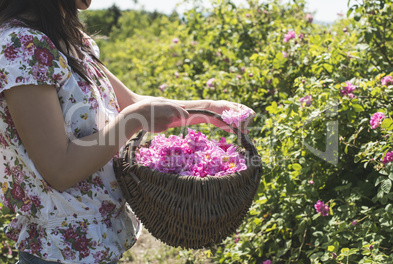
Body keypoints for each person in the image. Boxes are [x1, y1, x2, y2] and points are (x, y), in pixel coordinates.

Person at [0, 0, 255, 263]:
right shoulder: (22, 46)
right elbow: (60, 169)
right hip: (59, 250)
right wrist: (134, 119)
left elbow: (130, 102)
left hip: (97, 241)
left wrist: (208, 110)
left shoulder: (67, 37)